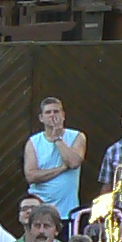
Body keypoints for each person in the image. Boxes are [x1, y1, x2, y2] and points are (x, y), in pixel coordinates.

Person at [26, 95, 90, 223]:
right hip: (40, 210)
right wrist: (62, 168)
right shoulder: (33, 142)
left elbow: (74, 162)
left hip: (68, 211)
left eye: (56, 111)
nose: (52, 115)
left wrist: (57, 139)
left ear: (63, 115)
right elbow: (31, 176)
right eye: (48, 112)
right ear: (41, 118)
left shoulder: (77, 136)